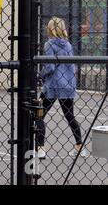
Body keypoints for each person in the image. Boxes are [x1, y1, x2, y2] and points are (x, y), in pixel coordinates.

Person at [36, 17, 89, 159]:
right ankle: (79, 146)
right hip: (67, 85)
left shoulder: (49, 44)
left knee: (39, 114)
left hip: (52, 86)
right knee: (70, 116)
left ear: (50, 28)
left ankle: (40, 148)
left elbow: (50, 66)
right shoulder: (68, 45)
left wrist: (40, 75)